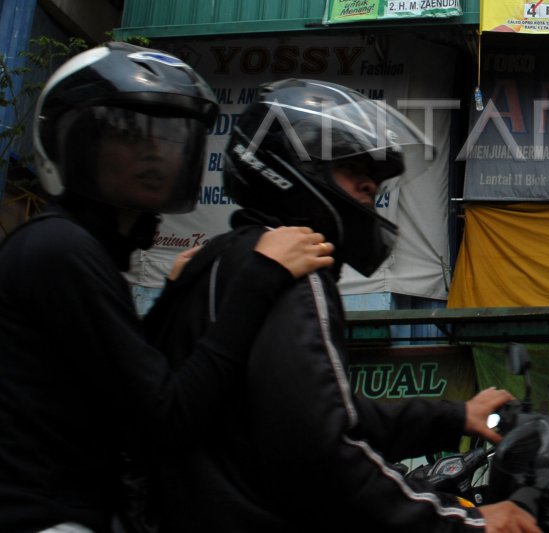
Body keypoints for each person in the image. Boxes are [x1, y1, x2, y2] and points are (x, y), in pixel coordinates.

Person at [144, 79, 539, 532]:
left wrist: (456, 416)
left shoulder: (218, 261)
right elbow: (322, 449)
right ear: (289, 168)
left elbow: (319, 410)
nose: (370, 185)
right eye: (352, 168)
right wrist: (464, 522)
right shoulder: (290, 275)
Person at [0, 42, 334, 533]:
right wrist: (259, 279)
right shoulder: (60, 250)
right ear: (72, 141)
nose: (154, 149)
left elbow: (132, 384)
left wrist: (173, 296)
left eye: (167, 134)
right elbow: (167, 419)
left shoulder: (73, 248)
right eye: (127, 133)